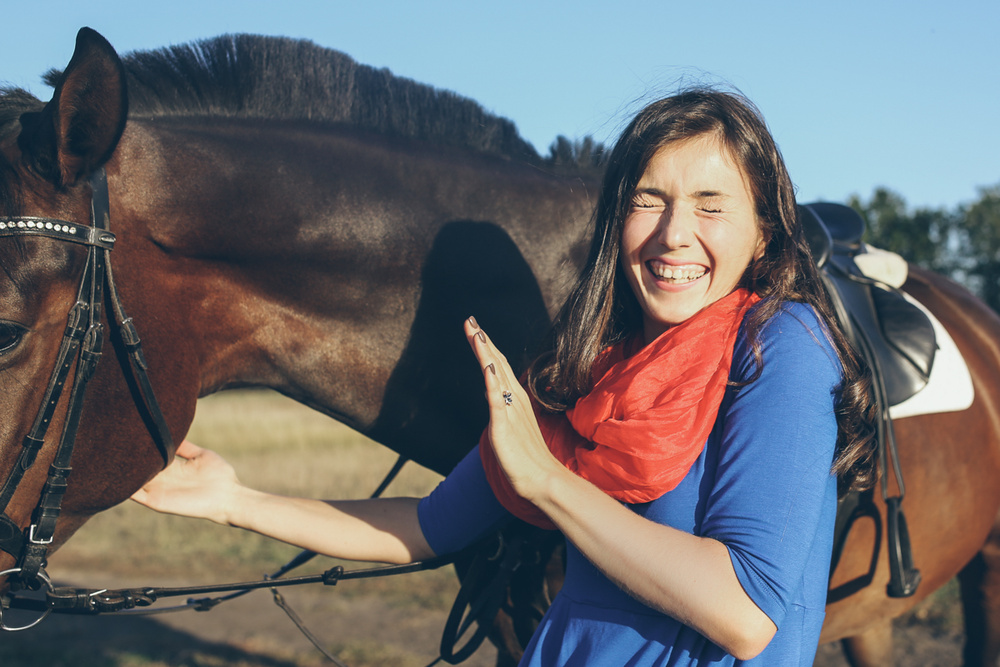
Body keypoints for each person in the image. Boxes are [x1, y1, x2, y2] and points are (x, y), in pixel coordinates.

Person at [132, 89, 877, 665]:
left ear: (764, 229)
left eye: (711, 206)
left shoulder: (780, 343)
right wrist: (234, 500)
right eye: (648, 200)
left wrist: (549, 482)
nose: (674, 233)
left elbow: (746, 613)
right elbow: (428, 527)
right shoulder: (595, 371)